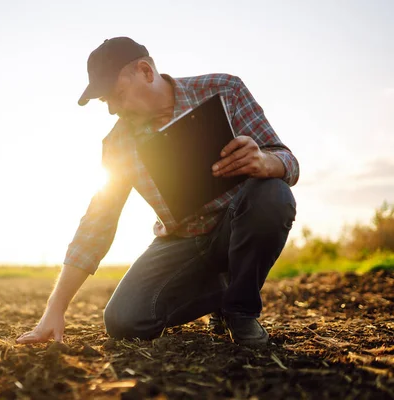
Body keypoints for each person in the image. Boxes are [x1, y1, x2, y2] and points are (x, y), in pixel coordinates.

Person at [17, 37, 298, 347]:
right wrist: (54, 309)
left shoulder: (225, 90)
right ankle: (222, 291)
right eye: (105, 103)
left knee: (274, 194)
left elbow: (288, 162)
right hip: (183, 240)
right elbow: (97, 223)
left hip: (239, 223)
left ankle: (239, 311)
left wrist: (264, 161)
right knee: (124, 320)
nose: (113, 111)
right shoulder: (118, 145)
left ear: (145, 71)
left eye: (117, 96)